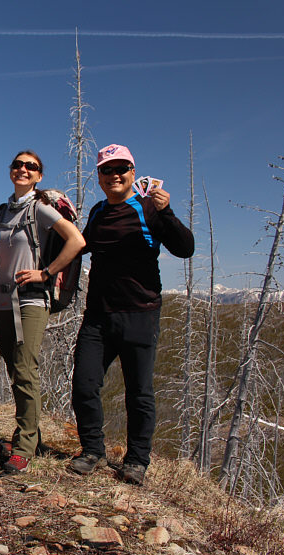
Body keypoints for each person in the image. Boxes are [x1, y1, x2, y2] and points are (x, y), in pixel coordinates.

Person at [68, 144, 194, 485]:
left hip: (140, 313)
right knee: (84, 384)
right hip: (98, 315)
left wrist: (167, 213)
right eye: (108, 170)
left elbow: (185, 248)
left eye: (122, 168)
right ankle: (93, 450)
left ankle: (137, 461)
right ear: (99, 177)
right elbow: (79, 247)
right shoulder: (96, 213)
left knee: (139, 392)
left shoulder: (149, 207)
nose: (115, 175)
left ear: (133, 173)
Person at [0, 150, 85, 475]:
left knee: (25, 369)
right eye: (18, 165)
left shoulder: (41, 209)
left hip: (31, 300)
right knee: (14, 369)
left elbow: (76, 241)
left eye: (31, 167)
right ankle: (30, 435)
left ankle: (24, 447)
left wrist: (46, 272)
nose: (23, 169)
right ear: (10, 171)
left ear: (39, 176)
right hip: (3, 300)